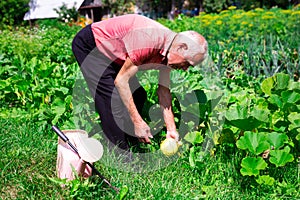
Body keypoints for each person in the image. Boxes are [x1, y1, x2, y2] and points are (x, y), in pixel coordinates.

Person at [72, 14, 208, 152]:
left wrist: (171, 129)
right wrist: (138, 122)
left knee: (139, 95)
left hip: (115, 53)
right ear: (181, 47)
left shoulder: (169, 52)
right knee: (111, 98)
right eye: (187, 63)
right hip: (91, 45)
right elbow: (121, 81)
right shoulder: (149, 41)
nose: (185, 69)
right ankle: (120, 154)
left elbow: (163, 91)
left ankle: (131, 140)